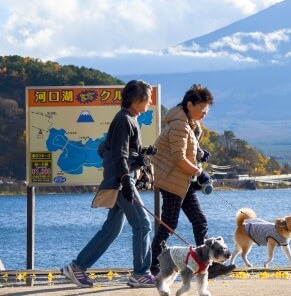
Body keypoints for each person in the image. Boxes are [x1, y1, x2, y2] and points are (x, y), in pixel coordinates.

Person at [62, 79, 156, 288]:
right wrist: (126, 179)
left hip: (121, 179)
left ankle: (77, 267)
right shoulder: (124, 119)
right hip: (121, 182)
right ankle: (141, 273)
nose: (150, 102)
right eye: (148, 99)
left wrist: (140, 156)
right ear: (137, 99)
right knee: (143, 224)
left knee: (111, 229)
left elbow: (106, 147)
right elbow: (119, 154)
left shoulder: (128, 118)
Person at [149, 84, 235, 278]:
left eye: (207, 110)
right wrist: (200, 173)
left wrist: (200, 153)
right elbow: (178, 158)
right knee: (169, 224)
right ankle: (154, 266)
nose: (205, 113)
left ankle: (207, 265)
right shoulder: (179, 124)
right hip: (172, 180)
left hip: (183, 181)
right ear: (190, 105)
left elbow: (186, 150)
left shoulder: (189, 124)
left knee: (199, 221)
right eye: (202, 109)